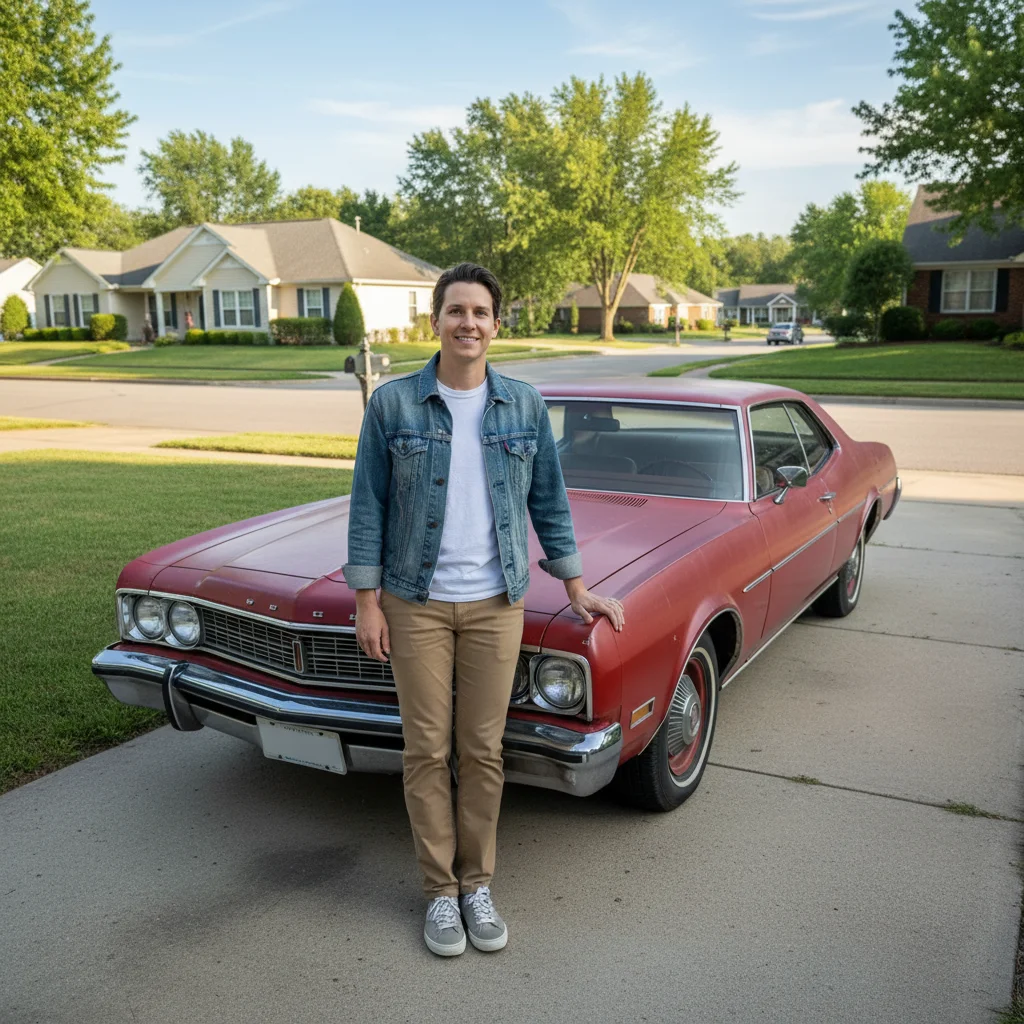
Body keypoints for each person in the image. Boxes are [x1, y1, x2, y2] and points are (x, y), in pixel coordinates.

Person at [342, 262, 625, 957]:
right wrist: (366, 603)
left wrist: (575, 585)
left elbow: (549, 502)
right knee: (426, 751)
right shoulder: (394, 405)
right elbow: (368, 506)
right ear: (435, 320)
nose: (468, 322)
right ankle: (440, 894)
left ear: (497, 324)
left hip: (498, 603)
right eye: (455, 310)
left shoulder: (524, 406)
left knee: (483, 751)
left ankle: (477, 884)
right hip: (416, 604)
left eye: (480, 312)